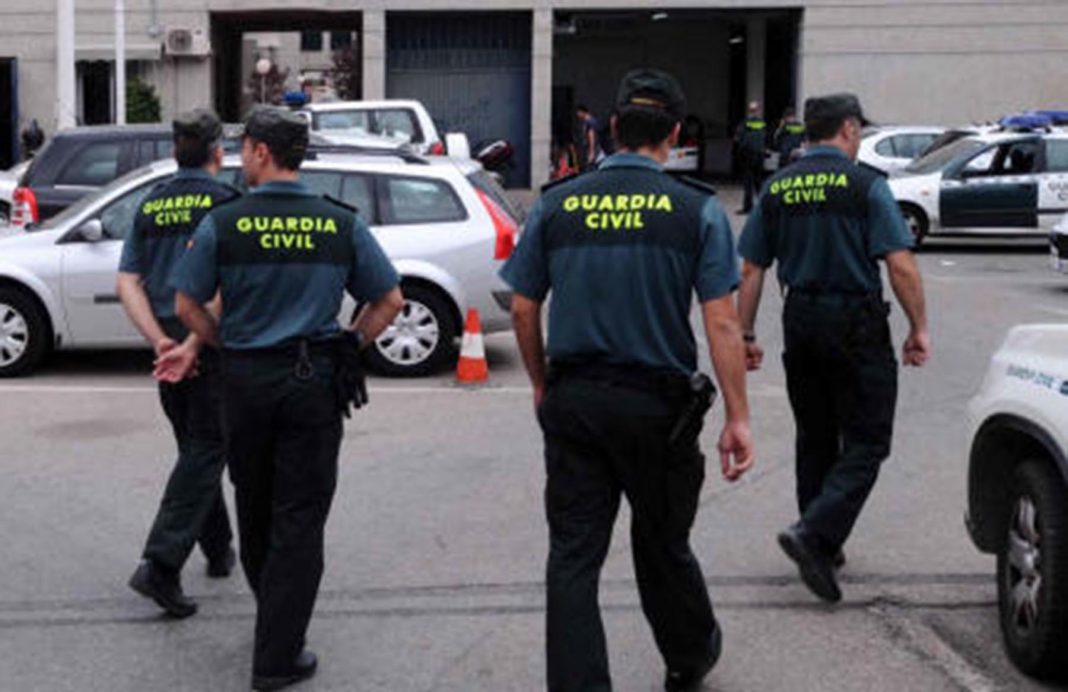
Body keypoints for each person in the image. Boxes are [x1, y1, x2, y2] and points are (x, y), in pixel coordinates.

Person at [502, 69, 755, 692]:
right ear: (673, 133)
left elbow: (522, 307)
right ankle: (689, 655)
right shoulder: (696, 209)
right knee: (663, 541)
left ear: (612, 128)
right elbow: (722, 322)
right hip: (657, 412)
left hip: (576, 400)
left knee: (573, 557)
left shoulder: (558, 202)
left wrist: (540, 382)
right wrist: (738, 417)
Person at [169, 105, 404, 690]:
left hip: (245, 382)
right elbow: (391, 300)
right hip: (313, 383)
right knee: (300, 518)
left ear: (261, 153)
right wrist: (352, 344)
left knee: (254, 505)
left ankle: (274, 629)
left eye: (244, 147)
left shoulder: (224, 223)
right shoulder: (340, 222)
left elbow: (185, 306)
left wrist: (226, 342)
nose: (240, 156)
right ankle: (279, 650)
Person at [736, 93, 931, 603]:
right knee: (868, 440)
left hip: (800, 318)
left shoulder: (779, 186)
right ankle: (815, 533)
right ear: (846, 129)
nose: (860, 137)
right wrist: (919, 327)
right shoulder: (865, 185)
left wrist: (748, 335)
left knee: (816, 434)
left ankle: (822, 539)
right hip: (855, 321)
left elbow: (752, 269)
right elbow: (900, 263)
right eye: (858, 130)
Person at [118, 109, 239, 619]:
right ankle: (161, 564)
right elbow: (227, 286)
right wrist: (193, 341)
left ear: (174, 151)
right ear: (218, 153)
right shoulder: (229, 205)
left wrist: (162, 343)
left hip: (169, 352)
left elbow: (129, 282)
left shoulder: (150, 205)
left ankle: (217, 548)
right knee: (207, 450)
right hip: (209, 347)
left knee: (197, 449)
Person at [734, 101, 767, 214]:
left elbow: (737, 139)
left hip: (748, 155)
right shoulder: (762, 123)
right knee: (759, 183)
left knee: (748, 183)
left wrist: (740, 151)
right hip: (759, 155)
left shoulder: (745, 123)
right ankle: (763, 207)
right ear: (758, 111)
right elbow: (766, 138)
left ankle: (748, 207)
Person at [576, 105, 605, 170]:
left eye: (578, 113)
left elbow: (592, 136)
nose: (578, 115)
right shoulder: (590, 122)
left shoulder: (590, 122)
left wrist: (592, 151)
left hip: (594, 149)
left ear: (582, 112)